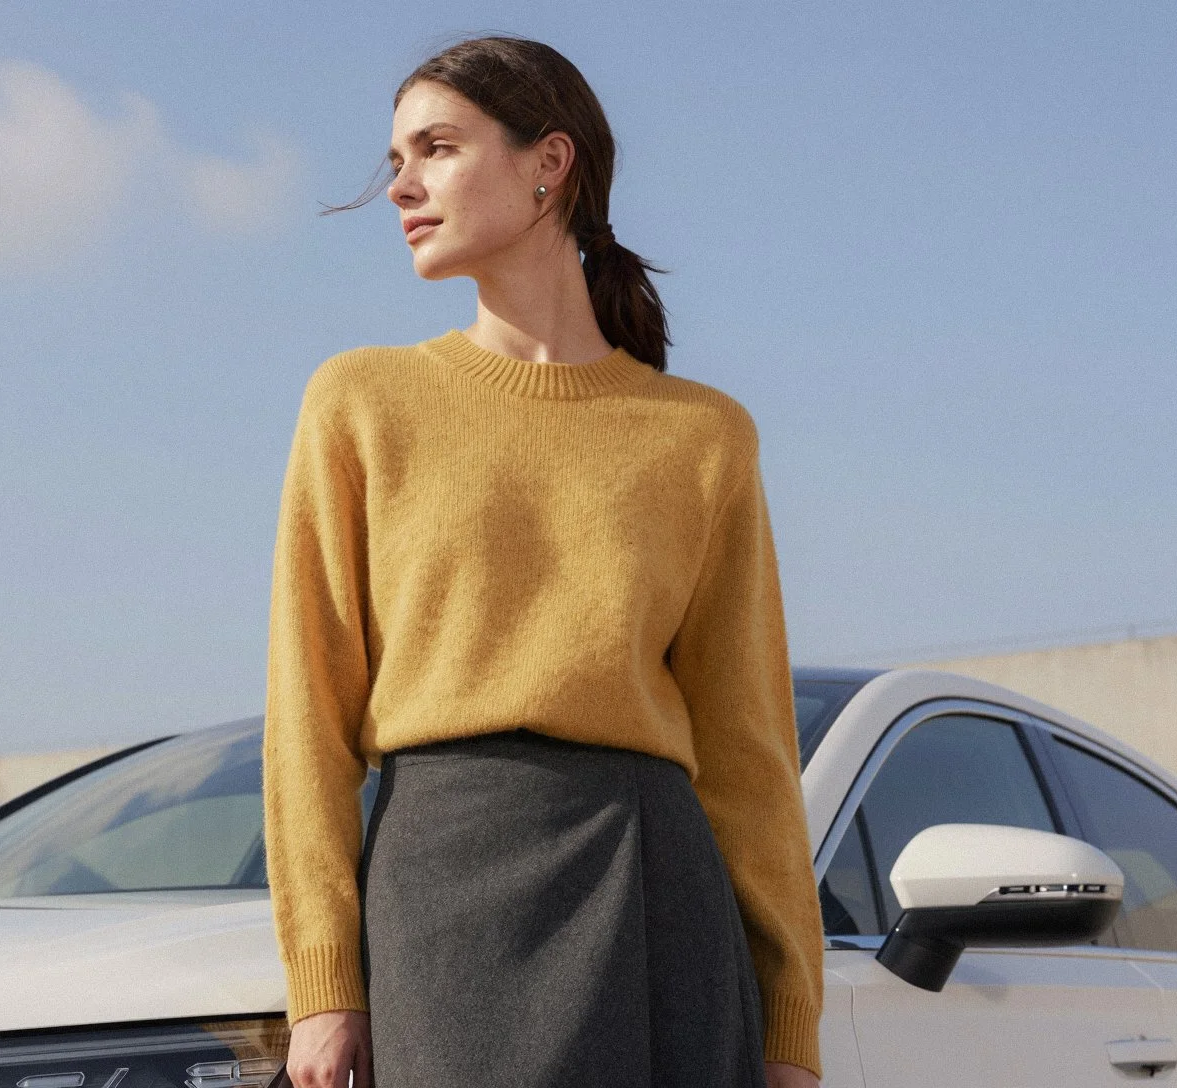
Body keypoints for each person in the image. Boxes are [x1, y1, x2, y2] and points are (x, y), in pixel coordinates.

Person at [262, 34, 826, 1088]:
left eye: (435, 147)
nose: (402, 185)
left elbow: (750, 747)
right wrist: (326, 982)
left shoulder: (702, 436)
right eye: (395, 160)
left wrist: (790, 1020)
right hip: (443, 891)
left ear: (547, 163)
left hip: (660, 891)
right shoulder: (360, 402)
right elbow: (308, 714)